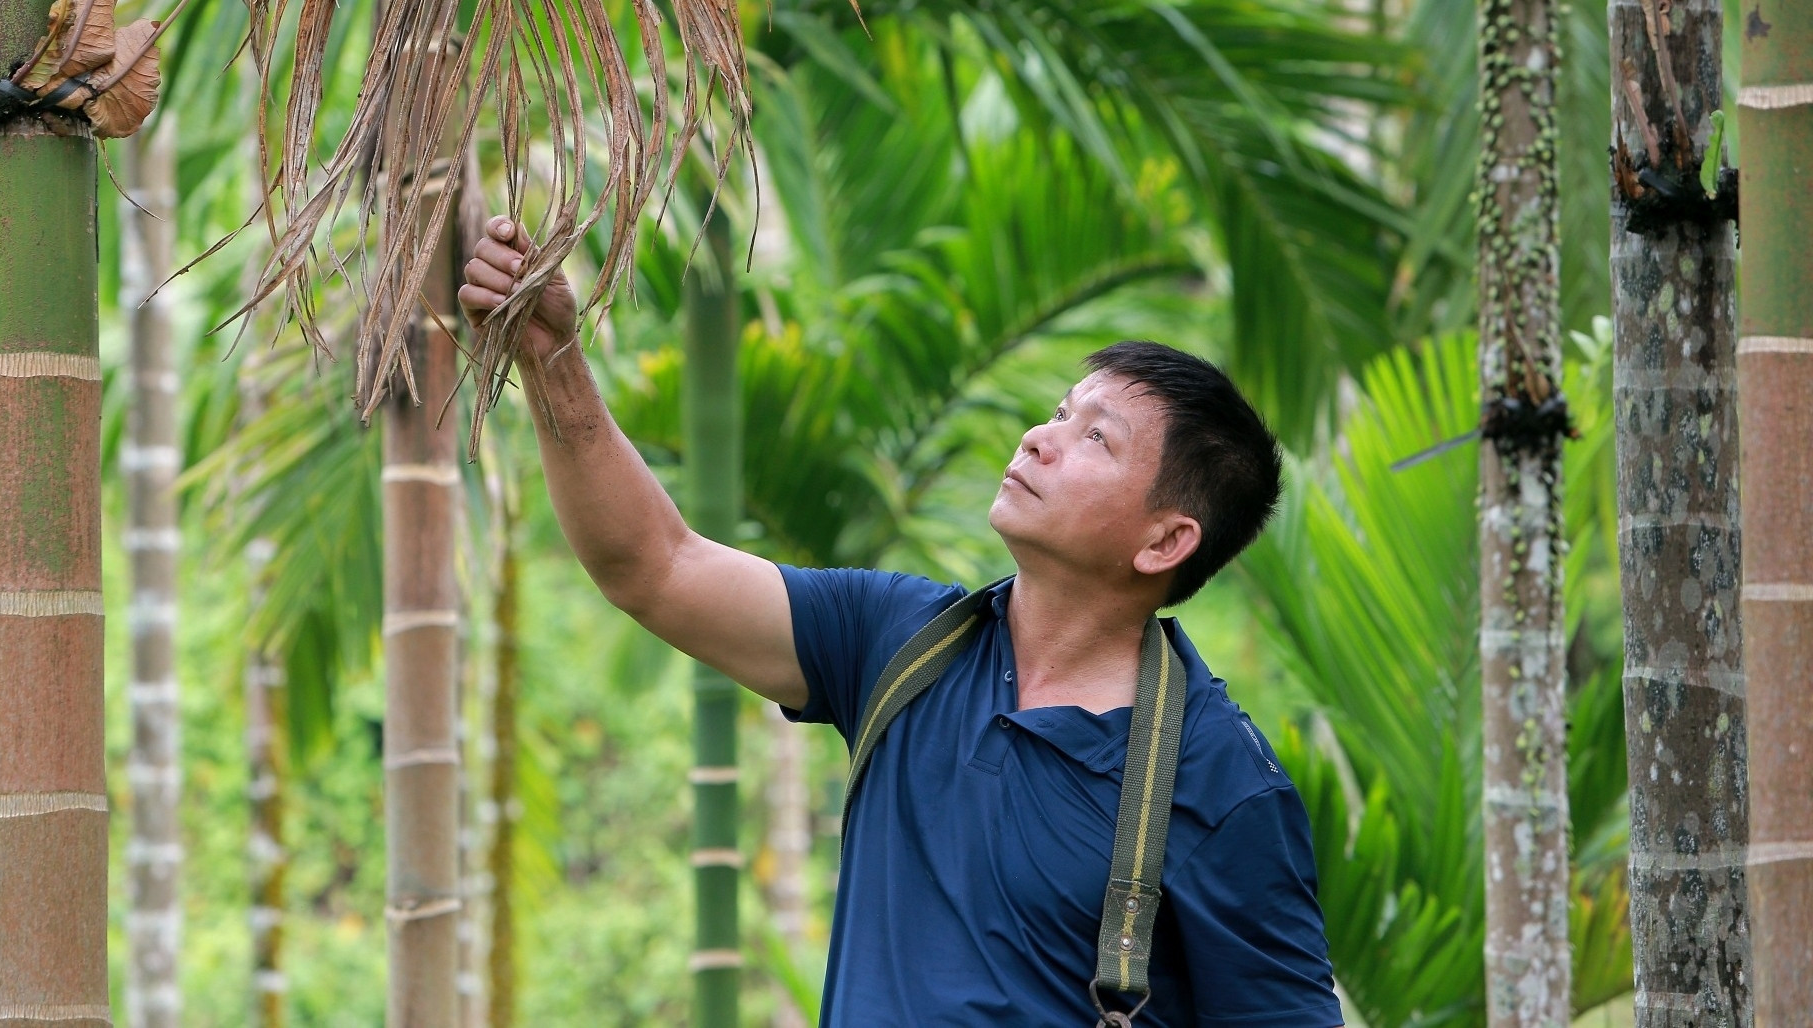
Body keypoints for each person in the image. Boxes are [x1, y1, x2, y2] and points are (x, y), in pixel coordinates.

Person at [460, 215, 1345, 1028]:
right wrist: (552, 358)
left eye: (1095, 439)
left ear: (1166, 541)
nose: (1040, 438)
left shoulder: (1222, 788)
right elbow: (654, 566)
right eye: (1057, 413)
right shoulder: (900, 642)